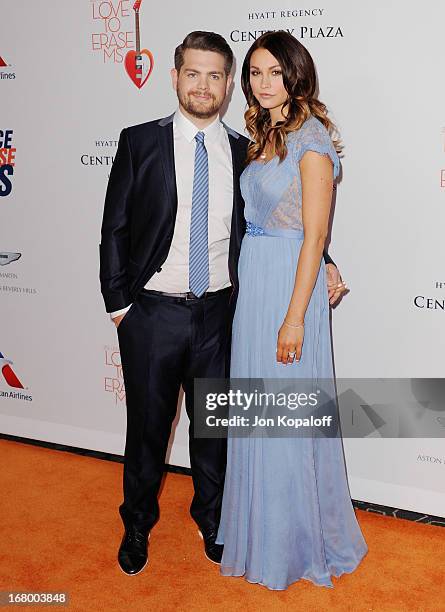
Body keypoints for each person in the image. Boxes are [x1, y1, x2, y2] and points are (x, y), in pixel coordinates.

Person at [99, 30, 346, 576]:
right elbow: (113, 228)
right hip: (153, 312)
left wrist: (327, 257)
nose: (204, 85)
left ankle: (213, 522)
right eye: (193, 73)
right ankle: (136, 526)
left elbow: (289, 213)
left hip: (221, 313)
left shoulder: (245, 146)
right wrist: (120, 305)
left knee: (213, 431)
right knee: (146, 431)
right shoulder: (139, 141)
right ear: (175, 77)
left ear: (227, 84)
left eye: (216, 75)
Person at [216, 32, 368, 590]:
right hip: (254, 279)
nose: (263, 83)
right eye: (255, 73)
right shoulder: (263, 135)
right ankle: (260, 531)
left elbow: (314, 234)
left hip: (287, 287)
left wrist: (295, 315)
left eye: (274, 72)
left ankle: (292, 544)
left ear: (296, 75)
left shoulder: (312, 139)